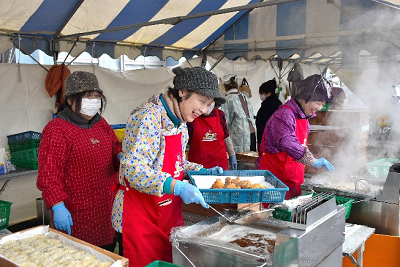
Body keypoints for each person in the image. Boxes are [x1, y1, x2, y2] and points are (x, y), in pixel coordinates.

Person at [112, 66, 225, 266]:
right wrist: (177, 186)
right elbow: (133, 170)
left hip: (166, 216)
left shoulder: (180, 121)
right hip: (139, 219)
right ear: (182, 92)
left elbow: (177, 162)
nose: (204, 110)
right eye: (202, 101)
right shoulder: (147, 117)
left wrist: (200, 172)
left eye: (209, 105)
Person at [37, 71, 121, 252]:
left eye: (97, 96)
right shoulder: (57, 129)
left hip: (106, 211)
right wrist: (58, 206)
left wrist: (121, 157)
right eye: (87, 96)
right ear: (70, 100)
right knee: (79, 257)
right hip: (76, 215)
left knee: (107, 255)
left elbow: (115, 149)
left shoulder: (101, 124)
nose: (93, 101)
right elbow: (49, 174)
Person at [256, 74, 335, 200]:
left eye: (322, 104)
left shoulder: (304, 117)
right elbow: (289, 143)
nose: (319, 108)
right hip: (275, 182)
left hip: (293, 182)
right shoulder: (284, 115)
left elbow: (301, 145)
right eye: (318, 103)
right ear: (306, 97)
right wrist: (313, 161)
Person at [187, 102, 237, 170]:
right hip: (197, 166)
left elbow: (226, 136)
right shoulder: (191, 117)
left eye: (210, 103)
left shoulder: (220, 114)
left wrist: (232, 154)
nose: (207, 106)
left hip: (220, 164)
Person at [221, 74, 256, 153]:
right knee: (250, 160)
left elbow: (225, 122)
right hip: (252, 134)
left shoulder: (227, 100)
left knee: (240, 160)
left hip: (239, 136)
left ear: (224, 86)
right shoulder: (245, 97)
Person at [256, 78, 282, 151]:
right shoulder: (278, 103)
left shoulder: (268, 105)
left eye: (262, 93)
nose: (260, 95)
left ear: (269, 93)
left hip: (267, 140)